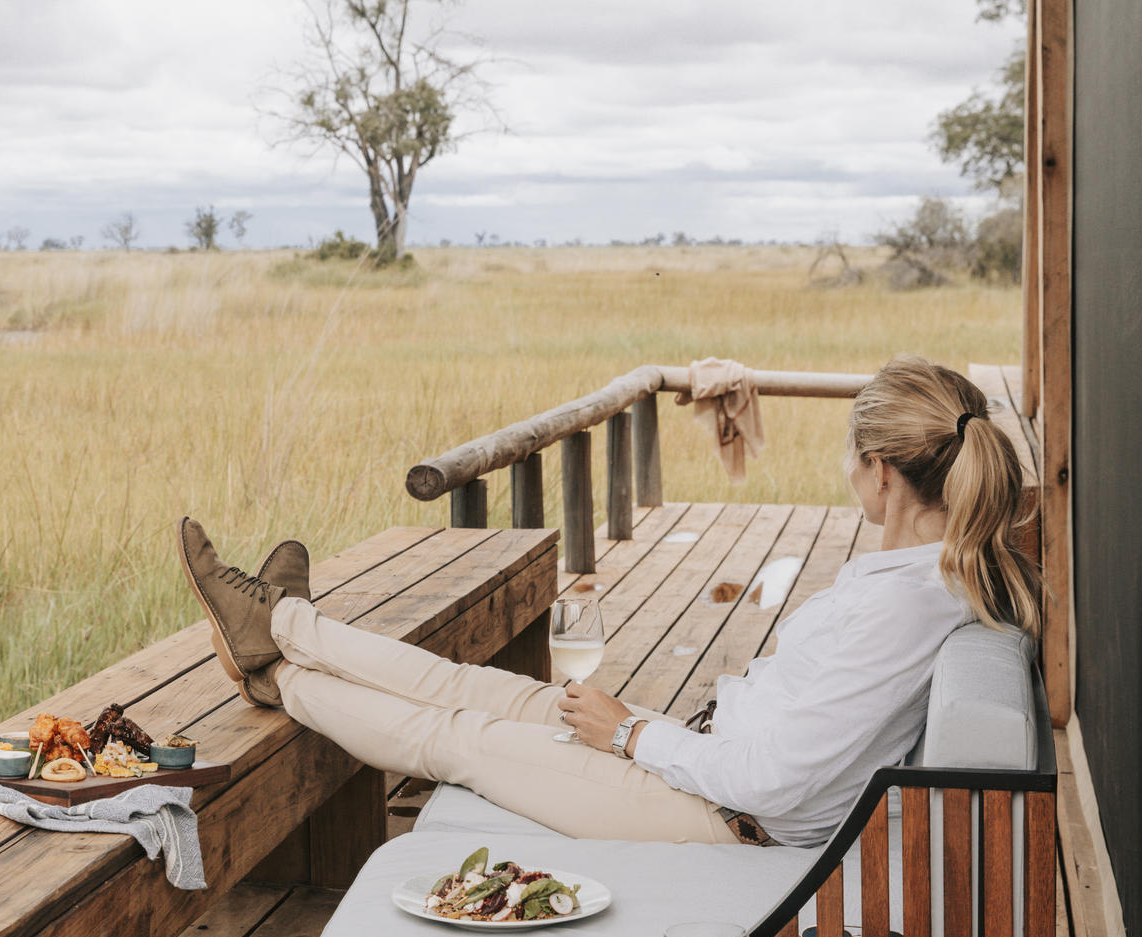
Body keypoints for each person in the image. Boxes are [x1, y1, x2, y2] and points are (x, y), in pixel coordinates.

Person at [176, 355, 1040, 847]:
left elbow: (779, 781)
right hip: (702, 765)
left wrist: (630, 733)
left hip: (722, 819)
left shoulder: (903, 608)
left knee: (461, 737)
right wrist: (641, 731)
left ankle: (276, 671)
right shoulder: (922, 579)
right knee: (479, 688)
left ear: (877, 472)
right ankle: (286, 626)